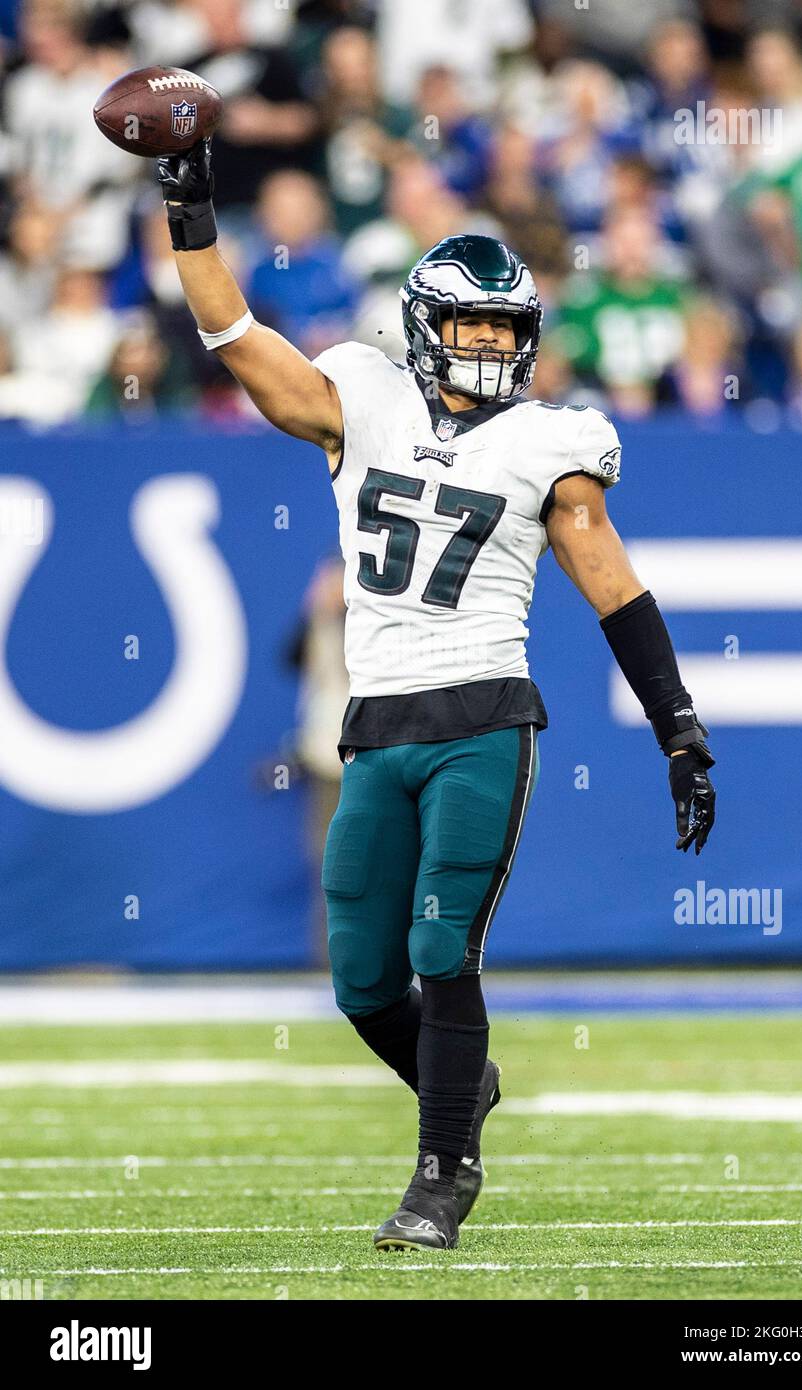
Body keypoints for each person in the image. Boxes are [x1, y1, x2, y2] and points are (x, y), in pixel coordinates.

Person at [154, 136, 717, 1252]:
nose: (486, 349)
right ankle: (461, 1085)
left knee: (440, 949)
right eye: (467, 328)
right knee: (362, 981)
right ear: (420, 326)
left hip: (481, 720)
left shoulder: (551, 441)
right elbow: (231, 335)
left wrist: (677, 727)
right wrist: (190, 206)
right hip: (375, 726)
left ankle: (442, 1173)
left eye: (505, 332)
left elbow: (611, 584)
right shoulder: (356, 391)